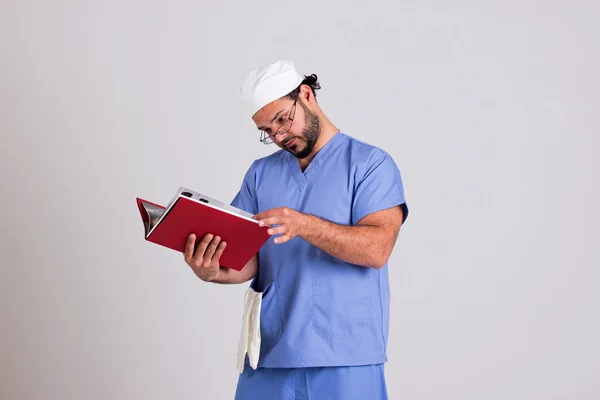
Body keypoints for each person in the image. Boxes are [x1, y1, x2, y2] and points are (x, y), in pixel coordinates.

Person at [183, 60, 409, 399]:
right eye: (267, 131)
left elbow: (377, 249)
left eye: (282, 120)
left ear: (306, 95)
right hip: (271, 354)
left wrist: (304, 225)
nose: (278, 135)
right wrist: (213, 269)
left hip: (346, 358)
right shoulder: (261, 174)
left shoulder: (369, 165)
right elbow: (248, 260)